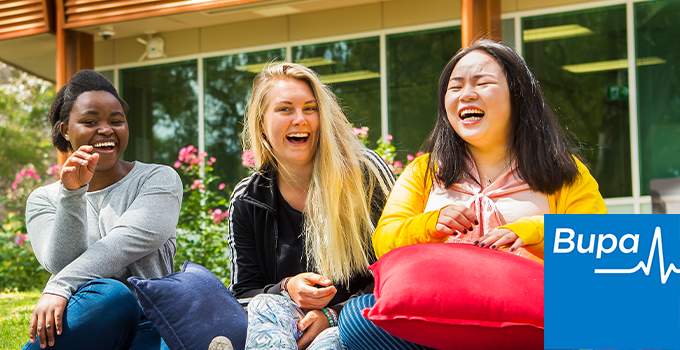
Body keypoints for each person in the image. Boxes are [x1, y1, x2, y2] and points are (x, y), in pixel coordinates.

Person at [338, 40, 607, 349]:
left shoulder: (562, 171)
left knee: (593, 319)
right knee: (358, 318)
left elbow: (594, 240)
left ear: (517, 96)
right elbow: (385, 240)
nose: (466, 94)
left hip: (532, 319)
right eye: (455, 87)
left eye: (483, 83)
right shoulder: (423, 171)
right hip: (441, 318)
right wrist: (431, 224)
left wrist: (527, 232)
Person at [222, 62, 394, 350]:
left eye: (310, 108)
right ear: (262, 125)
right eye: (285, 109)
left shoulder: (366, 174)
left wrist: (333, 315)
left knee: (327, 343)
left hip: (358, 321)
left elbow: (398, 268)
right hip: (284, 328)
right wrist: (286, 287)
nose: (300, 119)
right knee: (265, 303)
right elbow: (242, 293)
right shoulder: (248, 198)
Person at [22, 70, 182, 350]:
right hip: (93, 318)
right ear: (65, 131)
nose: (106, 129)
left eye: (116, 121)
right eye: (90, 121)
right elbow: (60, 261)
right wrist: (72, 194)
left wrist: (58, 286)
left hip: (154, 321)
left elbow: (123, 244)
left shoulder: (158, 180)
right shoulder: (43, 199)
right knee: (111, 296)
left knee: (120, 296)